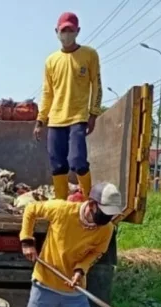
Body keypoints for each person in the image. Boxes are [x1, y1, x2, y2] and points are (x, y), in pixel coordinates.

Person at [34, 12, 103, 201]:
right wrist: (41, 120)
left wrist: (93, 114)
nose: (66, 34)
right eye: (63, 31)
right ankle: (61, 204)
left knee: (77, 161)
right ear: (56, 32)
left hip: (78, 118)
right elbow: (47, 93)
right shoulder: (51, 61)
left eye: (70, 30)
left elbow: (96, 85)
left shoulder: (89, 54)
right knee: (57, 165)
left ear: (78, 31)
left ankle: (90, 200)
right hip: (55, 120)